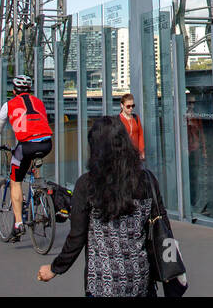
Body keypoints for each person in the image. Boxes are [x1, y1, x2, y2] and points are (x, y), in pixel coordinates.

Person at [37, 116, 181, 297]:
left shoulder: (87, 184)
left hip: (101, 284)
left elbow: (77, 237)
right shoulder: (146, 180)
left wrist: (55, 268)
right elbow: (164, 227)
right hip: (140, 281)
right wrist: (173, 272)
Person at [0, 74, 53, 243]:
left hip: (26, 146)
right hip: (46, 144)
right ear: (30, 90)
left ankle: (19, 224)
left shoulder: (9, 105)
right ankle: (38, 189)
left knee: (15, 180)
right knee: (31, 159)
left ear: (13, 91)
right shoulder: (39, 102)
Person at [119, 93, 144, 160]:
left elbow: (140, 134)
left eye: (133, 106)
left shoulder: (136, 118)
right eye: (128, 106)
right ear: (122, 105)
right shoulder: (118, 120)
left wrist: (141, 151)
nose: (131, 108)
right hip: (123, 155)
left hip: (135, 153)